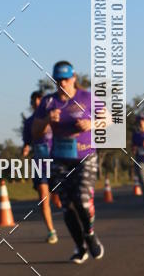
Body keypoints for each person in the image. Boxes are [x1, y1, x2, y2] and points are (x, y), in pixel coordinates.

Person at [32, 61, 104, 264]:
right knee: (67, 206)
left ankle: (89, 234)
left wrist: (91, 124)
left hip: (85, 156)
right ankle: (79, 247)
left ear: (74, 78)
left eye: (66, 78)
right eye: (58, 79)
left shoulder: (87, 97)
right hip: (60, 159)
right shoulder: (48, 103)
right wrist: (47, 120)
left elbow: (109, 118)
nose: (62, 82)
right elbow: (35, 132)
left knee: (81, 200)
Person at [22, 91, 58, 243]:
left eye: (40, 101)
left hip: (57, 162)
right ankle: (51, 232)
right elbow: (27, 143)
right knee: (44, 199)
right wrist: (25, 149)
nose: (37, 104)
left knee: (60, 201)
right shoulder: (29, 122)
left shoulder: (55, 117)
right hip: (39, 164)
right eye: (34, 102)